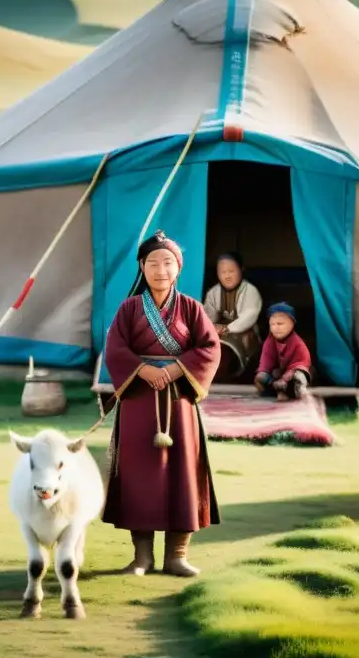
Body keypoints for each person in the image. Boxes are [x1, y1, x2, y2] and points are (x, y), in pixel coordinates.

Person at [101, 230, 222, 578]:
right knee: (139, 476)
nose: (160, 270)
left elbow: (210, 347)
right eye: (153, 263)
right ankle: (142, 558)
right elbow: (115, 347)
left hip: (179, 400)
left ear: (178, 268)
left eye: (167, 262)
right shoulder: (128, 309)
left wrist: (173, 369)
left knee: (182, 474)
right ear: (142, 266)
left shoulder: (191, 308)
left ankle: (176, 556)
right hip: (139, 400)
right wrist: (141, 370)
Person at [202, 252, 263, 382]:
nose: (227, 276)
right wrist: (212, 328)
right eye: (222, 272)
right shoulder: (213, 293)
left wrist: (227, 328)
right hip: (220, 335)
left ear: (241, 270)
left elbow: (249, 316)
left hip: (243, 334)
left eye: (231, 271)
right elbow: (208, 317)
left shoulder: (250, 290)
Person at [254, 302, 312, 401]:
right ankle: (277, 391)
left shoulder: (298, 343)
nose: (276, 327)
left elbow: (302, 363)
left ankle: (295, 391)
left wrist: (286, 378)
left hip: (292, 375)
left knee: (299, 375)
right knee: (261, 377)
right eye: (272, 324)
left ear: (292, 324)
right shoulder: (269, 342)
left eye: (280, 324)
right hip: (277, 377)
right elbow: (265, 363)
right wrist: (263, 374)